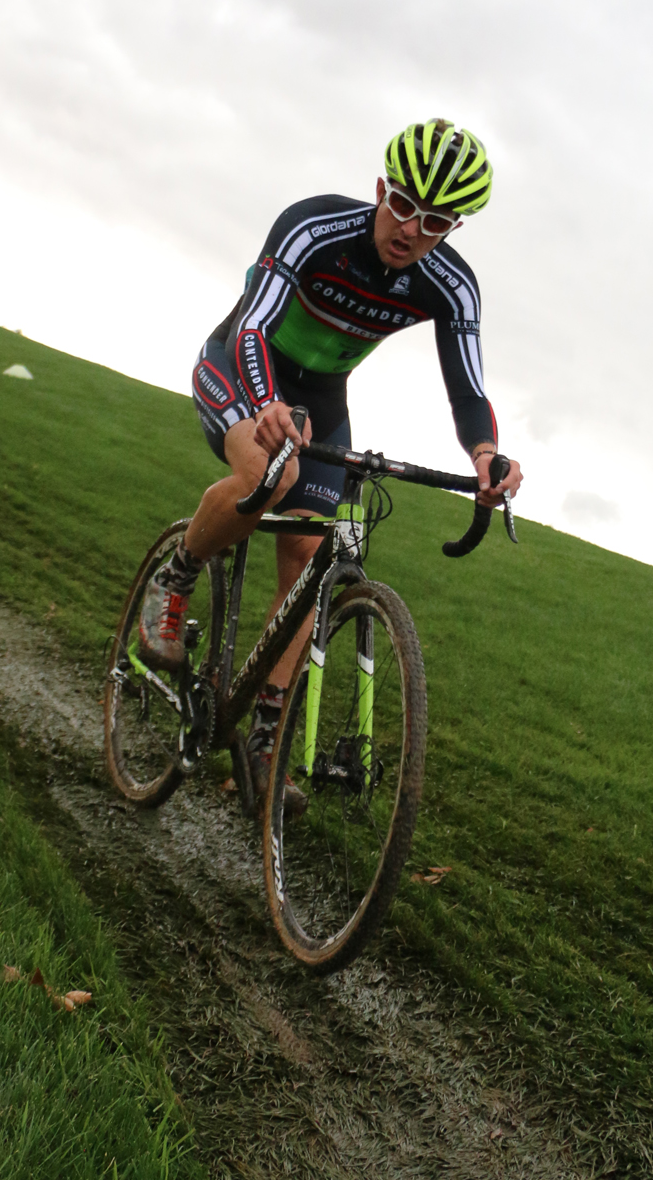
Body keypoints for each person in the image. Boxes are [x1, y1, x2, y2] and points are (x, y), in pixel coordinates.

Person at [138, 117, 523, 808]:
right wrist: (264, 403)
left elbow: (468, 388)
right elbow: (255, 322)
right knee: (273, 477)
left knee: (312, 557)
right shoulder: (315, 228)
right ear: (381, 188)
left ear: (452, 228)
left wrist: (487, 456)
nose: (409, 228)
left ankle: (263, 732)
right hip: (241, 367)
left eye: (432, 220)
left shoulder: (451, 285)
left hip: (321, 398)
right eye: (401, 205)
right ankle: (177, 574)